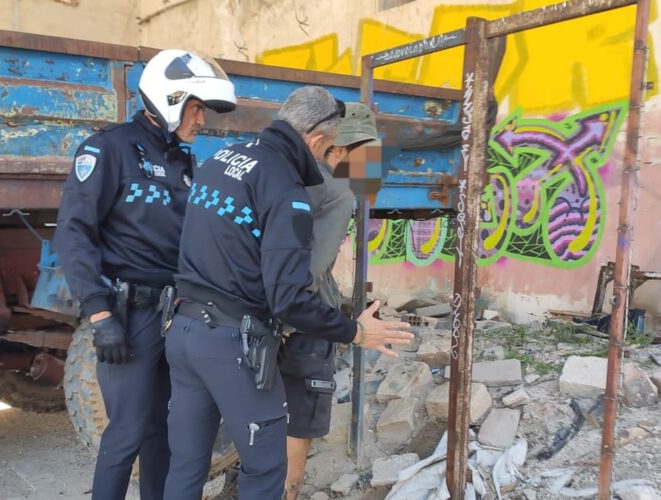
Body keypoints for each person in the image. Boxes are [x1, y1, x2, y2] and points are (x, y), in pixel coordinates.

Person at [163, 86, 412, 499]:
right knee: (266, 469)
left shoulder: (220, 160)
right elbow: (297, 289)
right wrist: (354, 331)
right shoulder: (297, 187)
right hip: (241, 337)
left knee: (187, 464)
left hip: (184, 327)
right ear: (321, 141)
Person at [53, 49, 236, 500]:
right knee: (127, 432)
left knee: (164, 432)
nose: (202, 120)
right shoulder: (108, 148)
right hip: (126, 316)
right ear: (170, 99)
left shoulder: (182, 162)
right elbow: (74, 235)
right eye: (197, 108)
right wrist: (100, 316)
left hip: (174, 315)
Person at [279, 101, 380, 500]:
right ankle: (288, 492)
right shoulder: (338, 188)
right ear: (339, 148)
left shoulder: (284, 175)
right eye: (367, 153)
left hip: (264, 313)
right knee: (299, 418)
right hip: (302, 318)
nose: (371, 165)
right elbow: (312, 269)